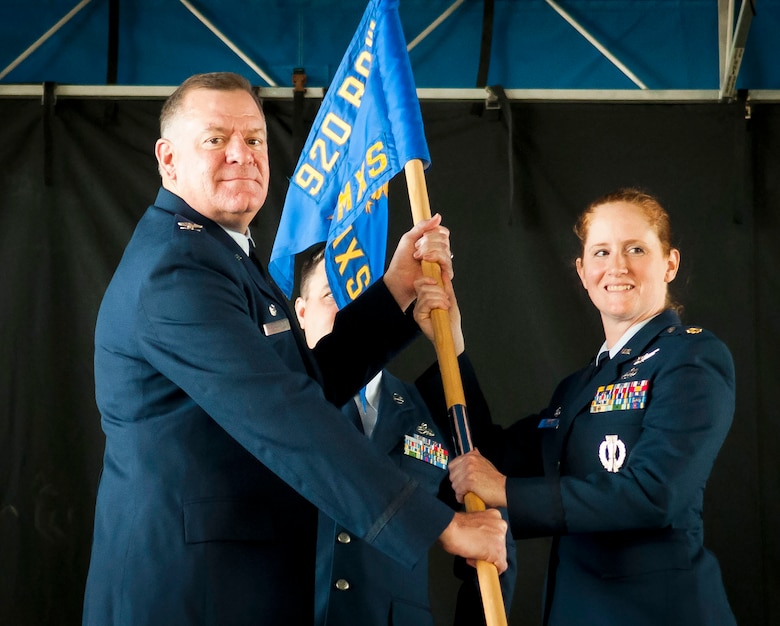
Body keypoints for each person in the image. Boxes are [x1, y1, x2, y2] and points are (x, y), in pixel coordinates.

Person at [82, 71, 507, 626]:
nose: (242, 155)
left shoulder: (221, 253)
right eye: (215, 139)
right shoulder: (175, 269)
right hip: (186, 594)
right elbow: (284, 414)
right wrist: (440, 524)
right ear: (168, 160)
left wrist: (396, 291)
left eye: (254, 139)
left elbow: (303, 382)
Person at [447, 188, 737, 625]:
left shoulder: (692, 359)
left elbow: (654, 494)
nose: (617, 267)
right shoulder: (577, 388)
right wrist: (451, 347)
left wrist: (504, 490)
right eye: (601, 252)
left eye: (635, 249)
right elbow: (487, 454)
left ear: (669, 264)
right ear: (582, 272)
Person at [294, 245, 515, 626]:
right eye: (332, 295)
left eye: (362, 294)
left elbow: (490, 536)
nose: (349, 310)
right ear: (301, 312)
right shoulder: (267, 405)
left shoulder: (430, 408)